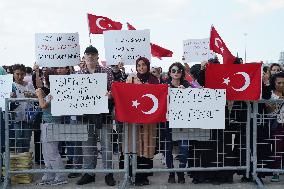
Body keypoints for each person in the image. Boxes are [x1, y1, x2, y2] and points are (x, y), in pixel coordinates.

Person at [76, 45, 116, 186]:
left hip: (103, 115)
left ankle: (108, 173)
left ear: (98, 56)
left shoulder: (107, 71)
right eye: (88, 54)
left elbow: (113, 89)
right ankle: (89, 173)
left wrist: (110, 94)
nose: (91, 57)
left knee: (107, 146)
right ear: (84, 57)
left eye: (93, 54)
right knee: (87, 146)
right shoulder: (78, 74)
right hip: (86, 116)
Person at [125, 57, 159, 186]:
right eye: (138, 65)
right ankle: (130, 174)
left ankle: (143, 176)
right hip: (133, 121)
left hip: (148, 122)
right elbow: (126, 94)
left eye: (143, 65)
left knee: (146, 147)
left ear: (148, 66)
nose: (141, 67)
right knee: (133, 146)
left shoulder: (154, 80)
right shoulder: (131, 79)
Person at [160, 62, 191, 184]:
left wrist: (186, 92)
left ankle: (181, 171)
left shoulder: (188, 85)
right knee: (168, 148)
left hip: (183, 123)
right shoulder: (164, 86)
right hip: (167, 123)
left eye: (179, 71)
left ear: (182, 72)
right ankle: (171, 172)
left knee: (184, 148)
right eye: (173, 70)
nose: (176, 73)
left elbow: (199, 91)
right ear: (169, 73)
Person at [35, 87, 67, 186]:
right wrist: (41, 95)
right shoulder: (50, 95)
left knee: (52, 152)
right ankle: (49, 175)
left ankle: (60, 176)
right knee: (46, 153)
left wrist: (40, 95)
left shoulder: (54, 95)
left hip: (51, 124)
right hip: (47, 124)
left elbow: (43, 105)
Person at [10, 64, 36, 152]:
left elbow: (37, 96)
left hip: (27, 117)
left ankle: (25, 160)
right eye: (17, 74)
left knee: (26, 140)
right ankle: (18, 159)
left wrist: (31, 95)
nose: (20, 76)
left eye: (22, 74)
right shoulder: (11, 86)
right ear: (13, 74)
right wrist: (10, 97)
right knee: (17, 140)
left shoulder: (29, 85)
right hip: (15, 118)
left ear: (25, 74)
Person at [265, 72, 284, 182]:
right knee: (277, 148)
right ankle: (276, 172)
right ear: (274, 82)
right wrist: (277, 101)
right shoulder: (270, 93)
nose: (281, 85)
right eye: (279, 82)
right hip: (276, 125)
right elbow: (269, 110)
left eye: (283, 83)